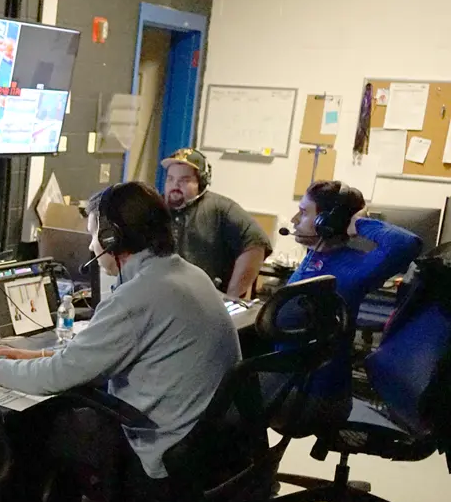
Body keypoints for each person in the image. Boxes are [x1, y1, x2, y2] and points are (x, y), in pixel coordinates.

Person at [0, 182, 240, 502]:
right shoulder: (185, 273)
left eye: (94, 235)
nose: (91, 245)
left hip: (163, 450)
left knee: (34, 425)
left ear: (111, 240)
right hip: (203, 441)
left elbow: (58, 376)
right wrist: (28, 355)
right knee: (62, 412)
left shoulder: (138, 295)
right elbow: (95, 355)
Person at [277, 180, 422, 424]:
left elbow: (407, 243)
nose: (294, 220)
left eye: (303, 212)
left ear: (327, 222)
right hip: (292, 381)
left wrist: (358, 223)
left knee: (218, 401)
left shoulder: (355, 267)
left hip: (314, 395)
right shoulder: (315, 257)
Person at [161, 148, 272, 299]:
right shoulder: (155, 208)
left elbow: (256, 243)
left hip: (203, 303)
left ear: (201, 182)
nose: (175, 185)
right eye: (170, 179)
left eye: (185, 180)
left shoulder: (220, 208)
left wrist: (231, 297)